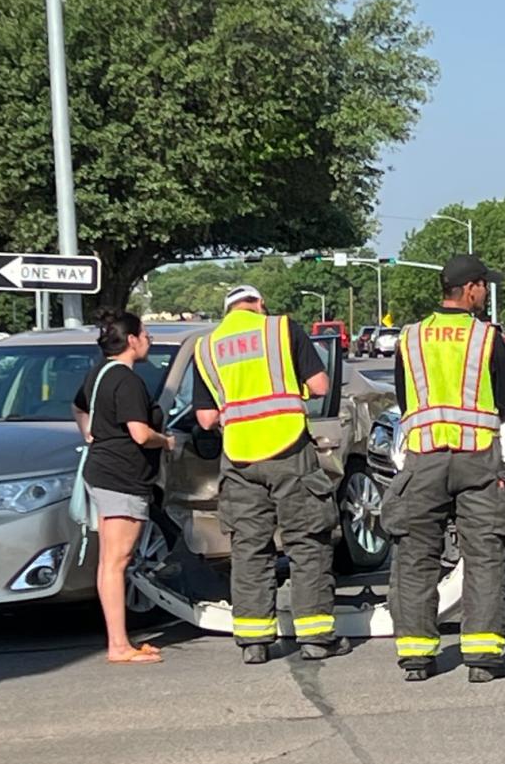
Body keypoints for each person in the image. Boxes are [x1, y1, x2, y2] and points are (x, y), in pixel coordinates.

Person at [384, 254, 505, 683]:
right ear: (471, 288)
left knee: (415, 555)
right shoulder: (485, 337)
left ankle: (417, 657)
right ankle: (482, 658)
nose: (486, 294)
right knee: (483, 554)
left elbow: (407, 401)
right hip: (477, 458)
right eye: (484, 286)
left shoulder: (410, 338)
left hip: (423, 459)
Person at [193, 285, 346, 664]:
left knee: (248, 545)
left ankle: (254, 642)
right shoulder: (280, 329)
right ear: (260, 304)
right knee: (307, 540)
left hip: (239, 455)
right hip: (288, 448)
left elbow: (206, 418)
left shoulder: (207, 346)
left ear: (226, 309)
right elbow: (320, 385)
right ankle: (314, 638)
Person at [73, 313, 175, 665]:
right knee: (117, 561)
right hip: (122, 477)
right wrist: (167, 441)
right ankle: (118, 645)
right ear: (131, 340)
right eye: (145, 334)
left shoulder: (98, 373)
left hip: (103, 472)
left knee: (109, 561)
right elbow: (140, 433)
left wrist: (89, 432)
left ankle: (119, 640)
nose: (149, 339)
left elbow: (78, 406)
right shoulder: (127, 381)